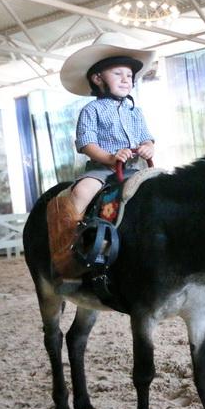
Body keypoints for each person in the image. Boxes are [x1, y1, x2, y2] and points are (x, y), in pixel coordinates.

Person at [47, 32, 156, 280]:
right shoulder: (91, 109)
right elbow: (87, 143)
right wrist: (110, 158)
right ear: (98, 78)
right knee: (82, 193)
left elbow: (146, 137)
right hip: (102, 169)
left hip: (136, 168)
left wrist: (148, 147)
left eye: (129, 75)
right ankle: (69, 247)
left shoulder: (135, 111)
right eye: (118, 73)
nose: (126, 79)